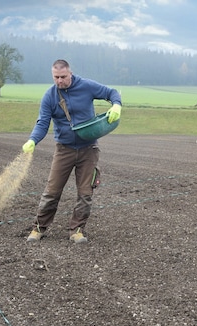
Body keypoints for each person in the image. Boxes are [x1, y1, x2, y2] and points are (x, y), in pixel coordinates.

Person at [22, 59, 122, 243]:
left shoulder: (86, 86)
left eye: (63, 77)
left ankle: (77, 230)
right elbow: (42, 123)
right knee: (52, 191)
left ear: (70, 73)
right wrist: (32, 140)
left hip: (88, 149)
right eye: (56, 77)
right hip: (64, 150)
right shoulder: (50, 96)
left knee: (85, 192)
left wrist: (116, 105)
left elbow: (111, 93)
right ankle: (39, 228)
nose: (59, 81)